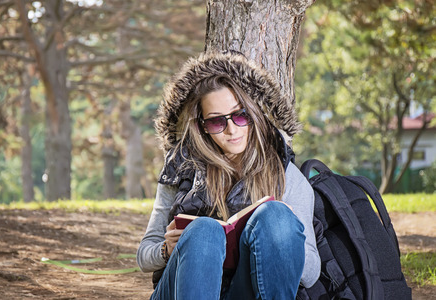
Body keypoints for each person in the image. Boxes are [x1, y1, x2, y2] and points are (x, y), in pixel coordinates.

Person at [137, 51, 320, 300]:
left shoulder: (285, 173)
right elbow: (143, 255)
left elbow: (310, 275)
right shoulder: (181, 168)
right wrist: (165, 250)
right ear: (202, 126)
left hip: (249, 290)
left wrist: (282, 238)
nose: (232, 130)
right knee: (204, 231)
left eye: (240, 115)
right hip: (181, 290)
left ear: (253, 113)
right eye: (216, 122)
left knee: (275, 217)